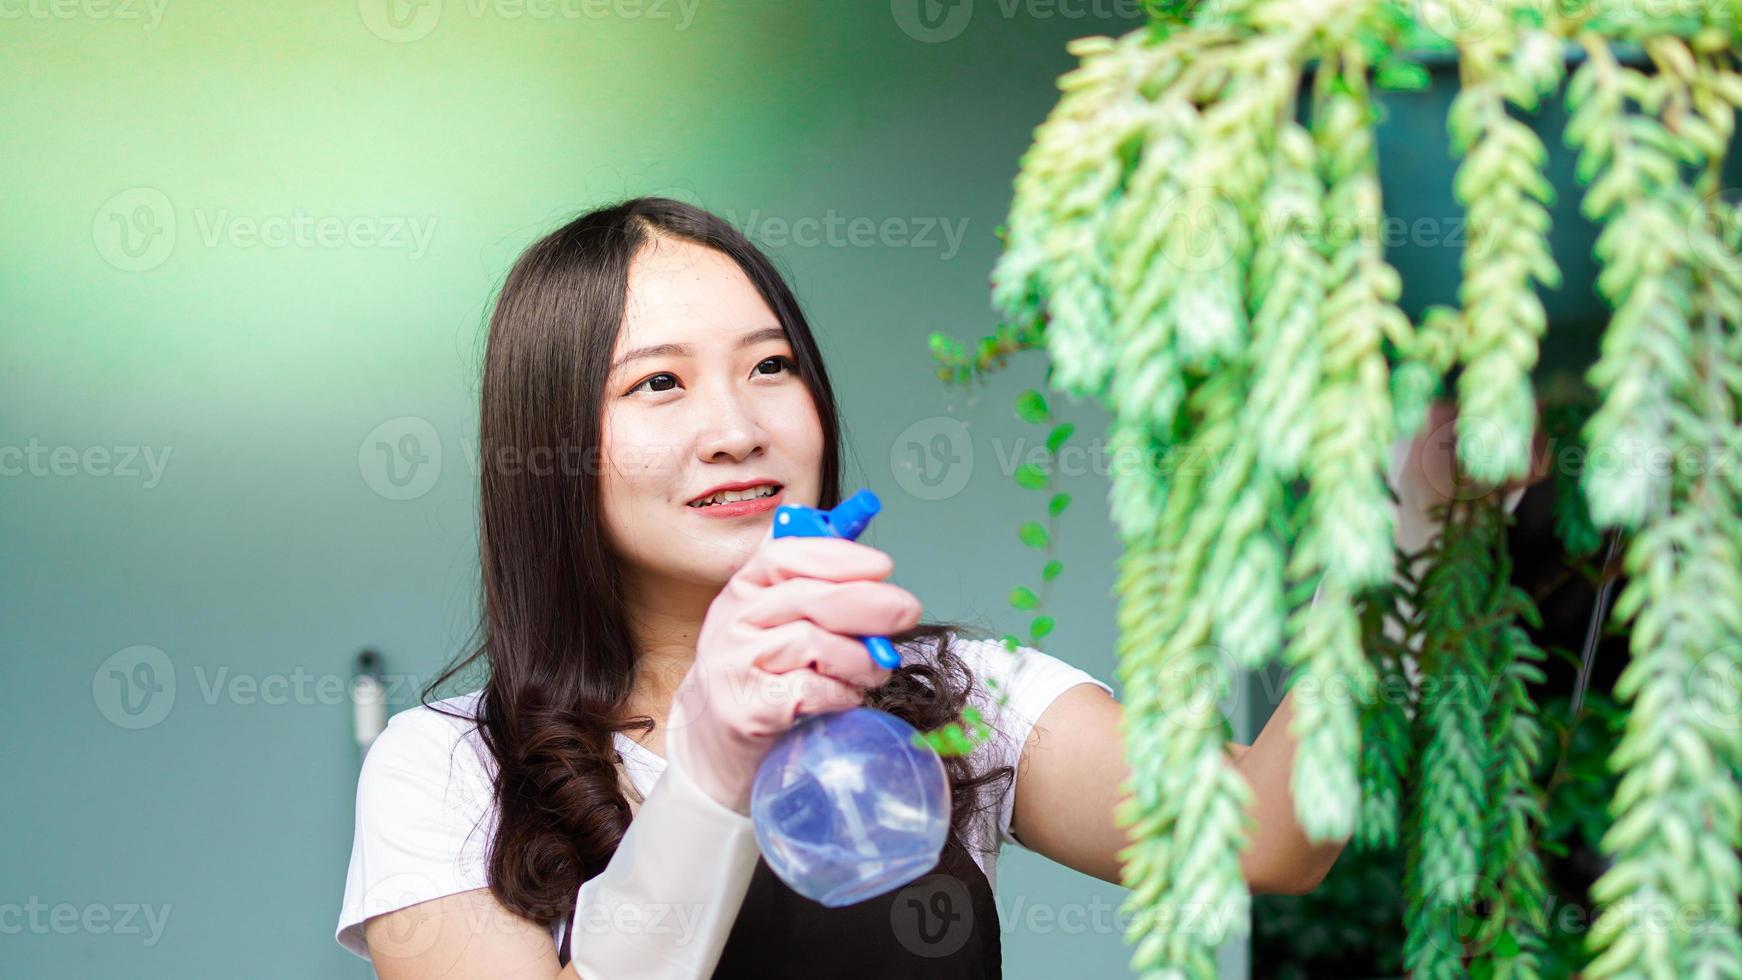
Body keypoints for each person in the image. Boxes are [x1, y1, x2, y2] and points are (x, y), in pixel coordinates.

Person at [334, 196, 1534, 978]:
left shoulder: (957, 692)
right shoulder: (445, 769)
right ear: (548, 443)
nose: (738, 425)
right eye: (658, 385)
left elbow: (1268, 833)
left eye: (770, 366)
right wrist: (709, 765)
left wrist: (1420, 519)